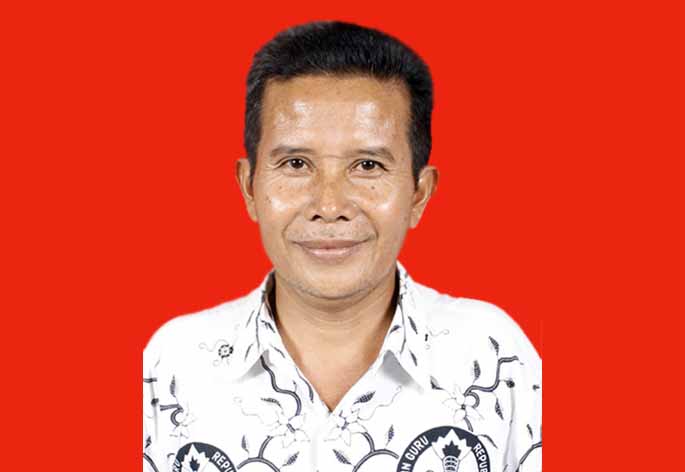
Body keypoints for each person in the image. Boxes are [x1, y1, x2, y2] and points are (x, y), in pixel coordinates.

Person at [143, 20, 542, 472]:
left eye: (367, 165)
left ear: (419, 193)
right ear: (249, 187)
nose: (329, 207)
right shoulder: (170, 367)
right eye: (296, 163)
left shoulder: (495, 358)